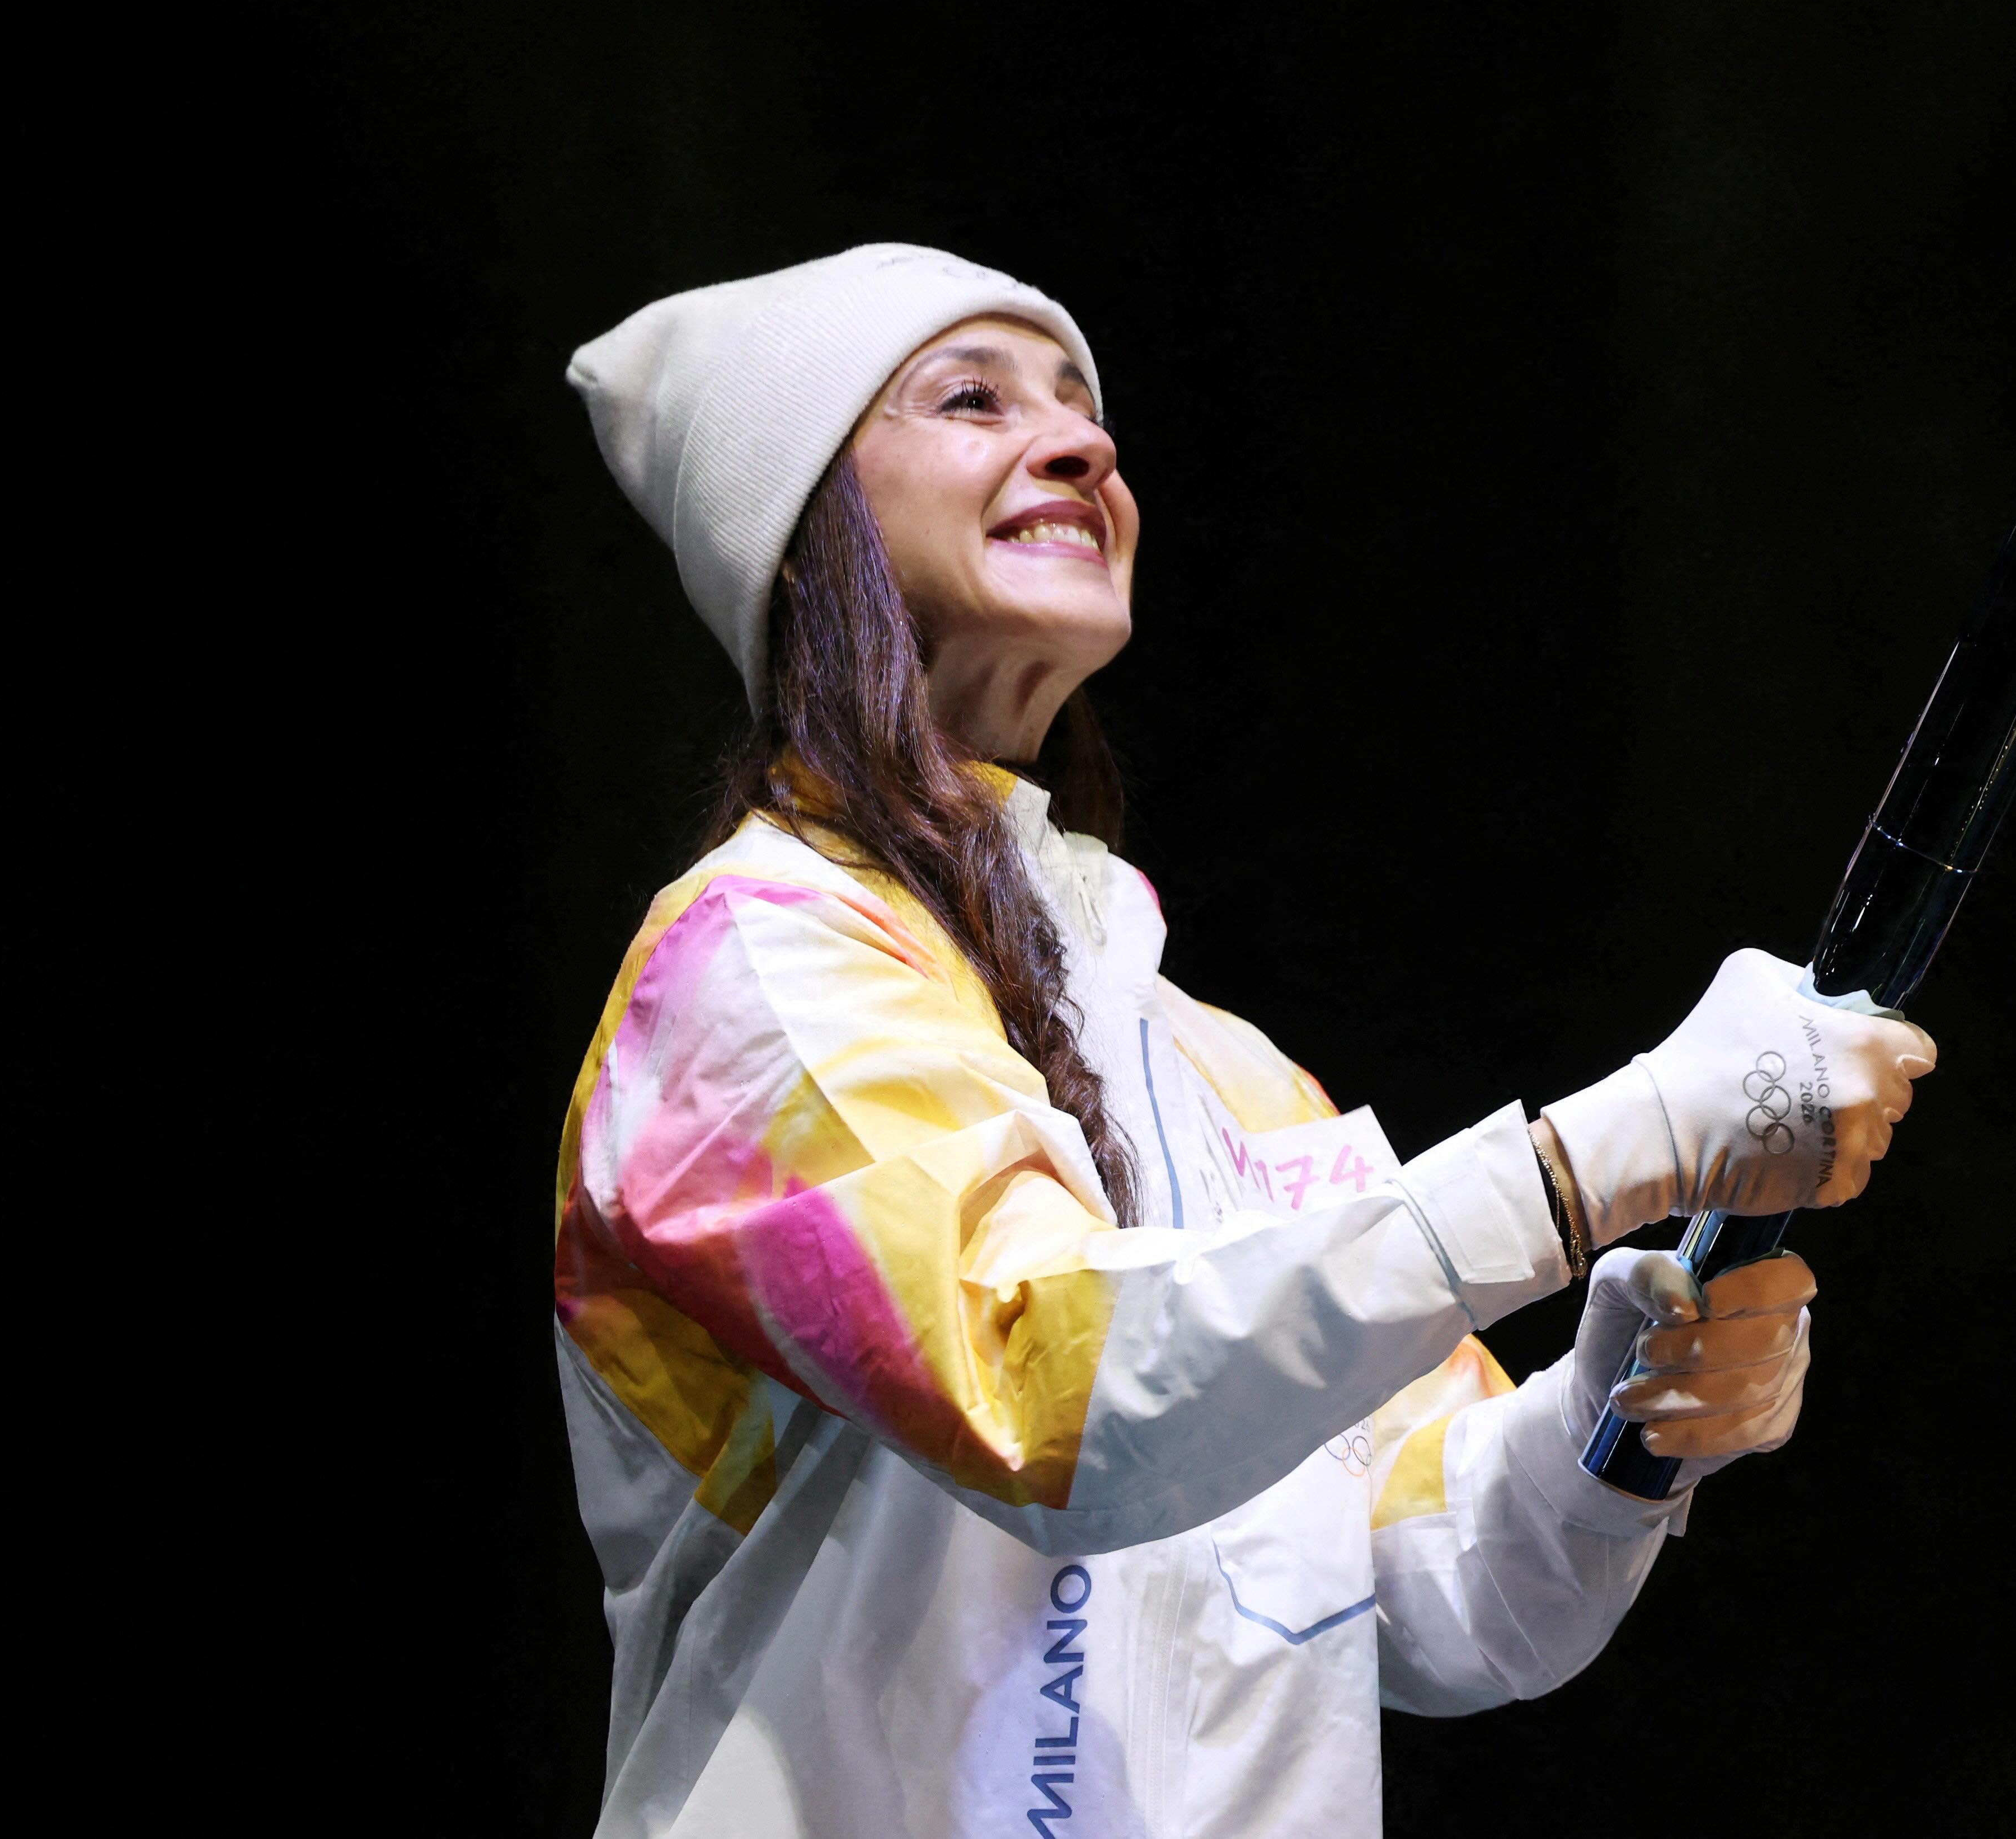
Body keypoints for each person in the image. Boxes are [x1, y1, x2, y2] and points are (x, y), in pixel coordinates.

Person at [553, 243, 1937, 1839]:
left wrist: (1614, 1428)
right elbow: (1065, 1385)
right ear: (800, 536)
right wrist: (1607, 1152)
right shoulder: (748, 970)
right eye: (973, 399)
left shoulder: (1216, 1068)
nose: (1081, 445)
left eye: (1084, 405)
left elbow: (1434, 1598)